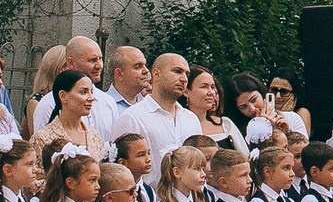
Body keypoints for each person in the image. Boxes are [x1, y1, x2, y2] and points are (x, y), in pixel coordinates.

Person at [124, 53, 192, 187]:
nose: (183, 79)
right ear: (156, 74)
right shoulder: (133, 117)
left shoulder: (191, 119)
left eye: (187, 74)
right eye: (177, 71)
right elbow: (124, 170)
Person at [33, 68, 112, 162]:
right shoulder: (42, 138)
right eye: (83, 92)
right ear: (63, 96)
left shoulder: (95, 136)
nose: (91, 98)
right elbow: (37, 174)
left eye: (91, 92)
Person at [182, 68, 247, 156]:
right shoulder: (179, 126)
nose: (211, 92)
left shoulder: (225, 124)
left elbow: (245, 157)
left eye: (212, 87)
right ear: (186, 91)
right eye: (204, 86)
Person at [98, 43, 150, 139]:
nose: (146, 70)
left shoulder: (149, 106)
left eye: (145, 65)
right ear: (119, 74)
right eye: (138, 66)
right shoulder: (101, 107)